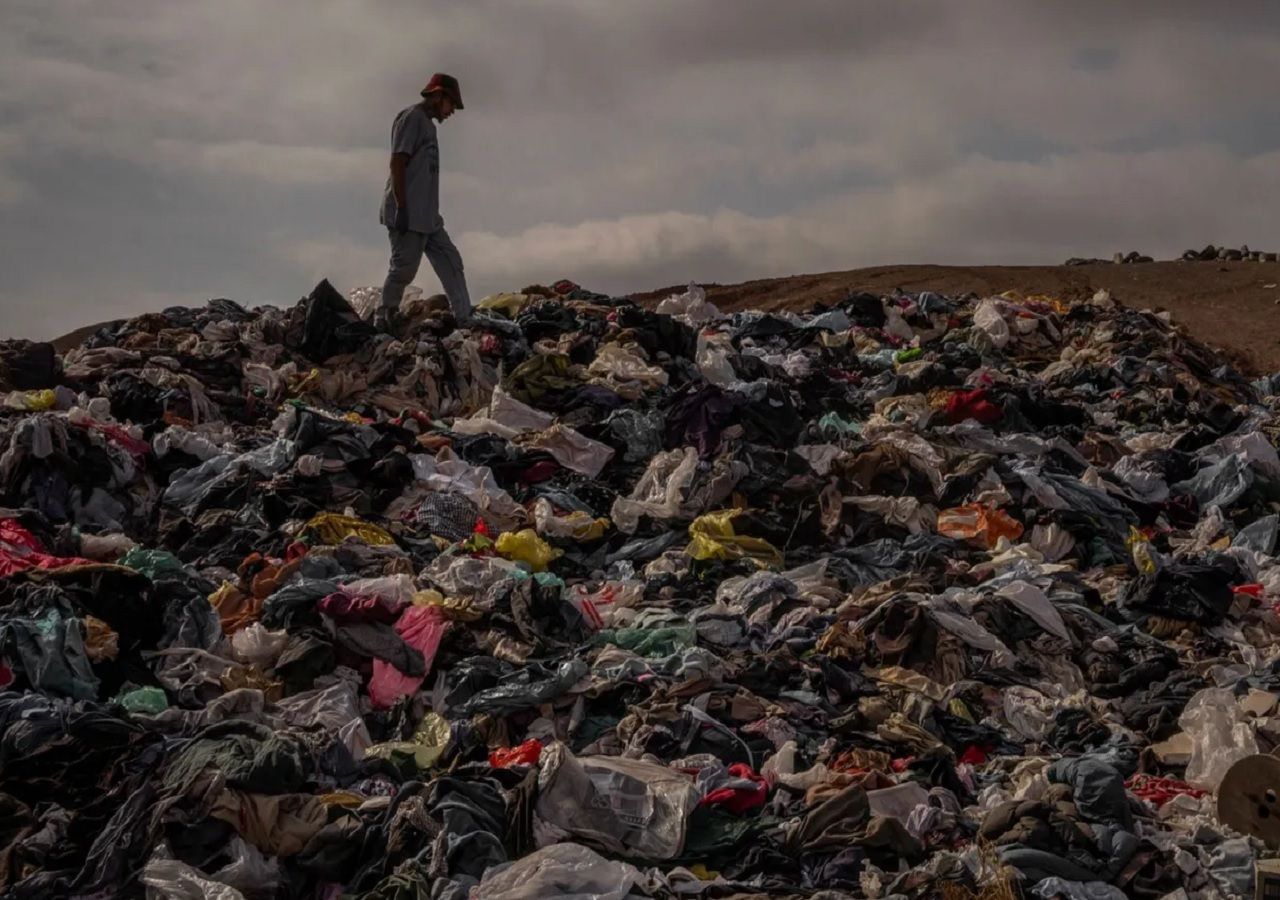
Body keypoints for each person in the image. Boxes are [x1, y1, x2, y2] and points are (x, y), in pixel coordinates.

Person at [376, 73, 472, 329]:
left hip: (428, 218)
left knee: (451, 261)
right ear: (438, 95)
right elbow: (398, 161)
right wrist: (402, 206)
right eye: (451, 104)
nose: (451, 112)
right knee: (403, 269)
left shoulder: (428, 126)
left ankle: (465, 318)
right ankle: (384, 317)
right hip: (408, 213)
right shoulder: (412, 119)